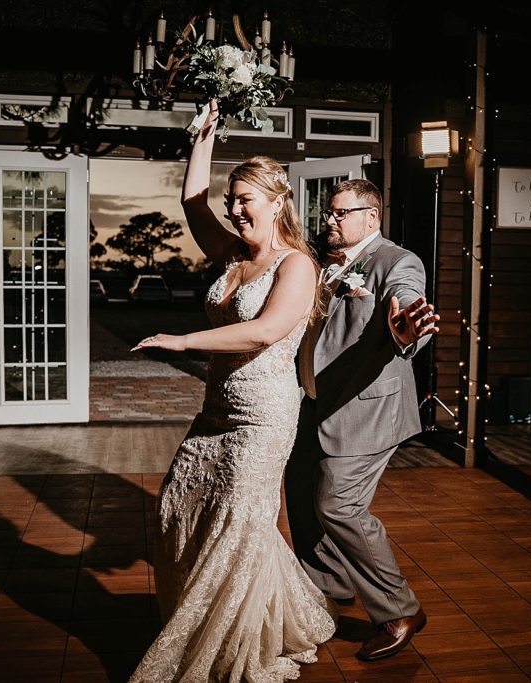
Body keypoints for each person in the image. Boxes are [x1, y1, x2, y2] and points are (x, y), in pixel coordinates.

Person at [127, 100, 335, 682]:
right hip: (217, 410)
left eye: (246, 199)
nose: (234, 208)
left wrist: (181, 340)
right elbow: (192, 201)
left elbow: (268, 330)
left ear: (277, 202)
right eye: (232, 199)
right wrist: (205, 135)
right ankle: (233, 612)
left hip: (264, 416)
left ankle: (226, 639)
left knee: (239, 524)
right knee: (180, 504)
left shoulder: (297, 265)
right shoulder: (232, 255)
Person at [286, 178, 439, 661]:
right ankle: (330, 587)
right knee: (300, 495)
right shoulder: (328, 263)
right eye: (328, 213)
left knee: (338, 506)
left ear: (370, 218)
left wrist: (406, 328)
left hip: (365, 408)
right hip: (314, 404)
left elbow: (406, 300)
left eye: (339, 213)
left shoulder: (397, 261)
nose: (329, 220)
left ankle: (399, 610)